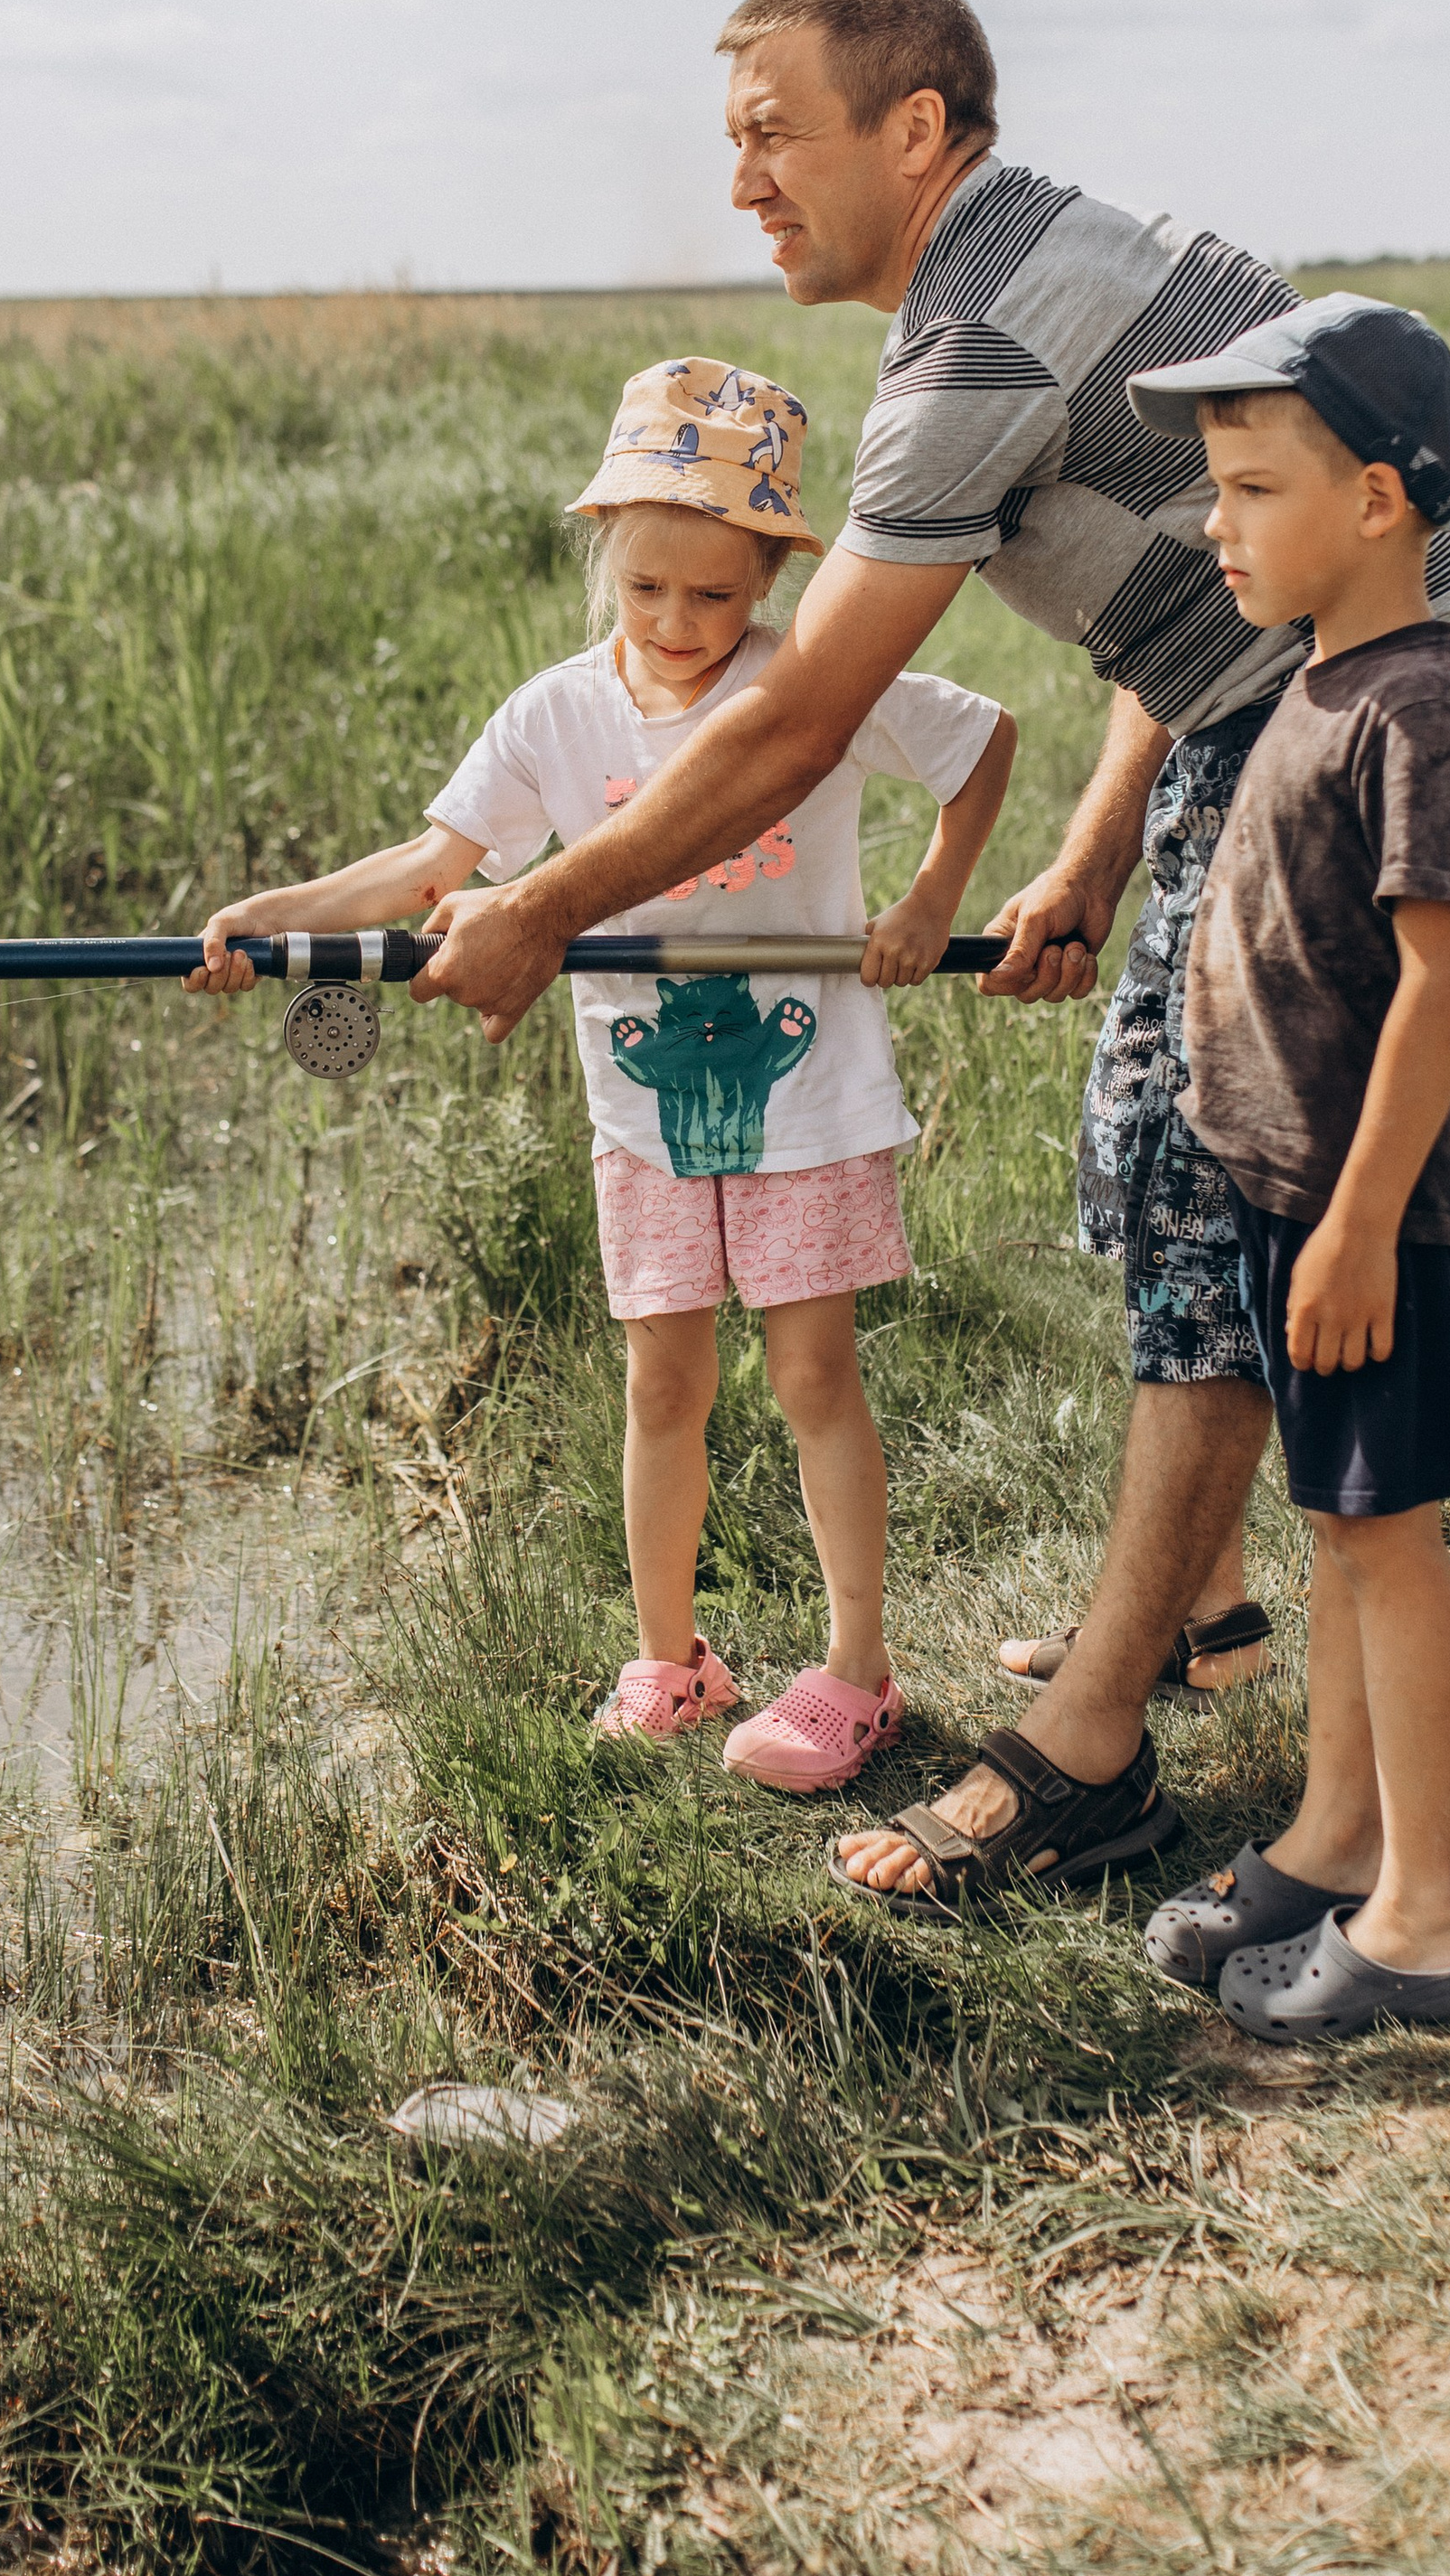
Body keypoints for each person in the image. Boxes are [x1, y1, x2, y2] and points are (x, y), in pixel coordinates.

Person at [415, 0, 1450, 1912]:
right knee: (1163, 1180)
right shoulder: (1018, 276)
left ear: (911, 128)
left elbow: (791, 720)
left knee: (1209, 1212)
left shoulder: (958, 360)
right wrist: (1095, 851)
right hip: (1260, 718)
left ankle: (1091, 1752)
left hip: (1343, 743)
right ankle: (1201, 1634)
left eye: (772, 131)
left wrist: (539, 907)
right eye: (726, 139)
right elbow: (1192, 578)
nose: (740, 179)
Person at [184, 355, 1017, 1795]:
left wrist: (933, 900)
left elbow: (981, 743)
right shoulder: (554, 717)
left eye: (716, 594)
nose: (683, 625)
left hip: (808, 1103)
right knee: (663, 1387)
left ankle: (859, 1672)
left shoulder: (807, 687)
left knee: (814, 1374)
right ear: (605, 563)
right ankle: (674, 1659)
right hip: (641, 1119)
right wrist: (274, 917)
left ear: (768, 573)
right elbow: (432, 869)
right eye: (648, 591)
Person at [1120, 304, 1450, 2030]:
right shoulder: (1320, 675)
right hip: (1300, 1206)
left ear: (1377, 499)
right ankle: (1344, 1830)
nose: (1219, 523)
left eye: (1252, 488)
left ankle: (1437, 1914)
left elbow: (1446, 974)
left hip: (1374, 1218)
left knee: (1387, 1543)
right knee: (1342, 1530)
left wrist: (1360, 1228)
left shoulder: (1422, 704)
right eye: (1214, 489)